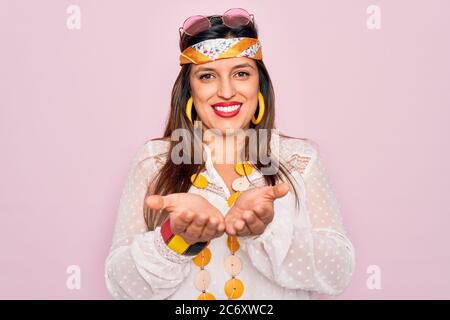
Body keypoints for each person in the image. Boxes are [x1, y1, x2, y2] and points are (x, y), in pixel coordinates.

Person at [104, 8, 355, 300]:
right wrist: (176, 238)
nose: (226, 91)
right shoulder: (154, 161)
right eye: (207, 76)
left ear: (258, 85)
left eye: (241, 73)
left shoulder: (299, 159)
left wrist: (265, 232)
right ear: (189, 91)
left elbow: (339, 273)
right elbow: (121, 285)